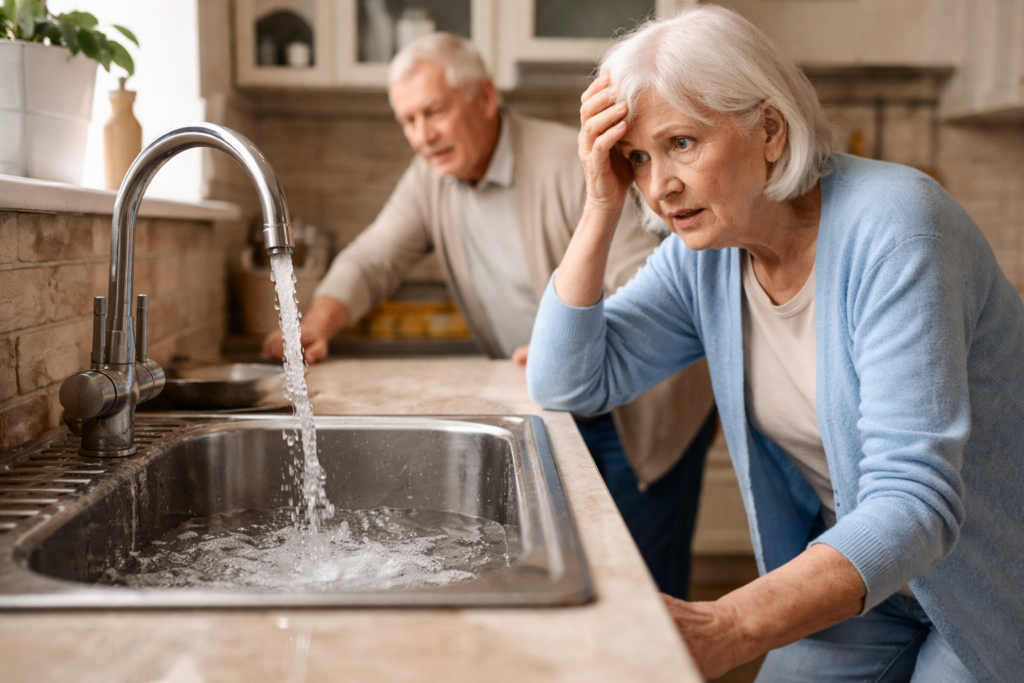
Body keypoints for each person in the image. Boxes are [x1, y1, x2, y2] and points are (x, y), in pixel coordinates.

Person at [526, 6, 1024, 683]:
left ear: (769, 129)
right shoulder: (705, 253)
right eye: (638, 156)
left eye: (681, 144)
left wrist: (728, 625)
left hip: (987, 577)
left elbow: (913, 502)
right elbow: (569, 380)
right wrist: (599, 206)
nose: (658, 184)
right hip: (859, 581)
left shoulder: (898, 229)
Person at [262, 33, 716, 599]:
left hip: (640, 406)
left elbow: (642, 277)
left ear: (482, 97)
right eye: (407, 120)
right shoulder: (432, 177)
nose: (422, 135)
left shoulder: (564, 162)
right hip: (549, 400)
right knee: (578, 576)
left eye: (434, 111)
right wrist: (318, 321)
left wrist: (565, 344)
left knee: (642, 587)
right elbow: (376, 256)